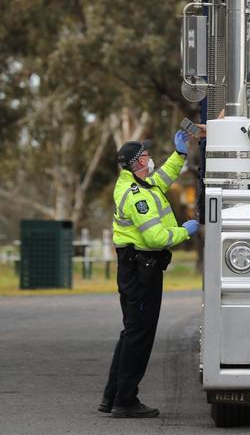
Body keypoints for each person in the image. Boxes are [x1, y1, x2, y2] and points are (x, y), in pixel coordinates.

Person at [98, 131, 199, 418]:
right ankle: (125, 401)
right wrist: (184, 231)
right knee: (139, 335)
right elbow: (155, 237)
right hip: (140, 271)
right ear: (134, 164)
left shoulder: (142, 182)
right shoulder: (135, 196)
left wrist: (179, 155)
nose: (150, 159)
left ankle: (112, 396)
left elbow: (164, 178)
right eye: (145, 156)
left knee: (131, 331)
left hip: (139, 269)